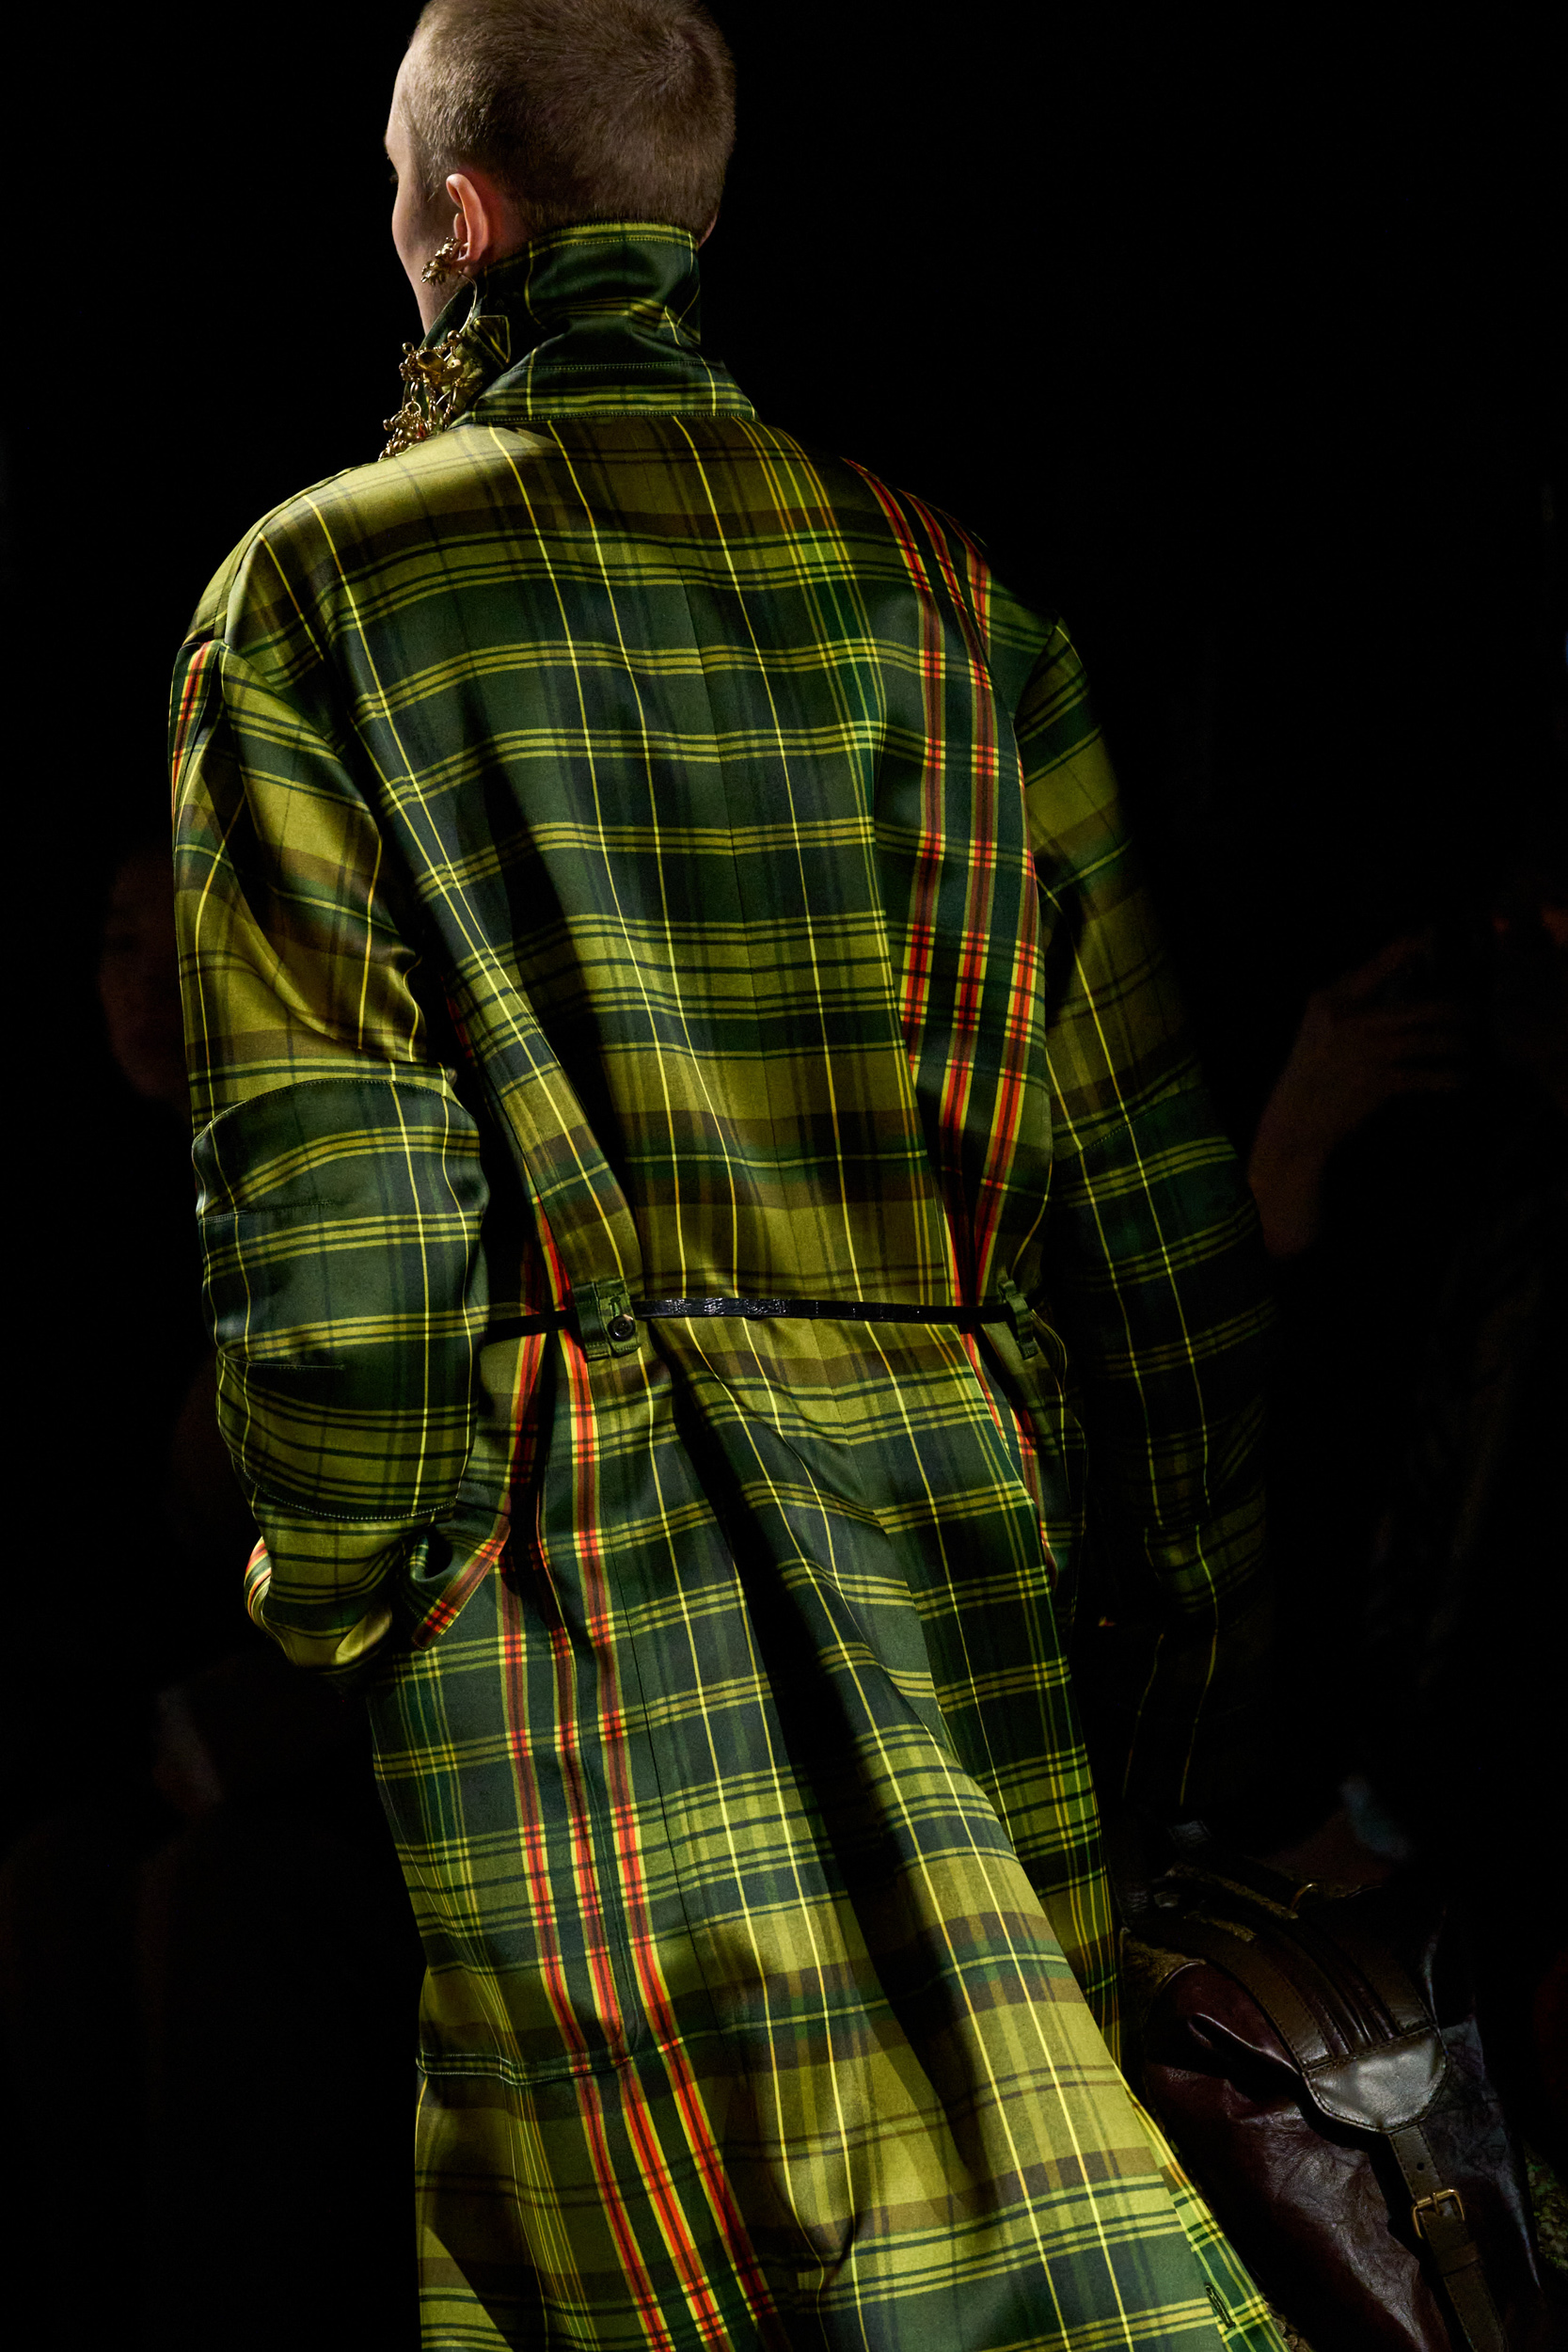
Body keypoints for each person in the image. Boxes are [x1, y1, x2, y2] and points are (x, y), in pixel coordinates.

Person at [169, 3, 1283, 2344]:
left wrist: (339, 1600)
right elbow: (1159, 1245)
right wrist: (1176, 1692)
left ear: (459, 218)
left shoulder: (321, 596)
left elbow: (343, 1257)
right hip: (964, 1616)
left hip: (571, 1659)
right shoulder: (959, 607)